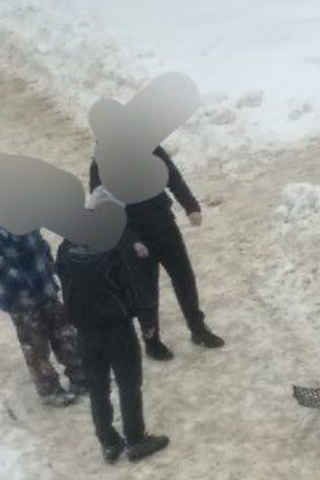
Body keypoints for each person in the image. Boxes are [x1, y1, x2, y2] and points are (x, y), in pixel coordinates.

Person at [88, 146, 223, 360]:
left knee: (184, 278)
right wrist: (130, 240)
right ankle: (151, 340)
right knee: (145, 290)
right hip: (134, 236)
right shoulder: (101, 164)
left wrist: (191, 206)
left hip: (164, 225)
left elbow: (172, 175)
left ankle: (198, 328)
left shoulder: (149, 147)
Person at [56, 224, 169, 464]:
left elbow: (65, 286)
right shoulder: (110, 249)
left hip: (85, 331)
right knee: (128, 383)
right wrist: (147, 320)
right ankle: (136, 439)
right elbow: (131, 285)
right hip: (117, 327)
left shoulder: (64, 251)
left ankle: (108, 442)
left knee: (97, 387)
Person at [0, 198, 86, 407]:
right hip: (20, 297)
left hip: (44, 284)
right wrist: (26, 285)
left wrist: (49, 263)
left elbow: (37, 239)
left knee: (64, 331)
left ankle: (81, 377)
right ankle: (49, 390)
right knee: (35, 343)